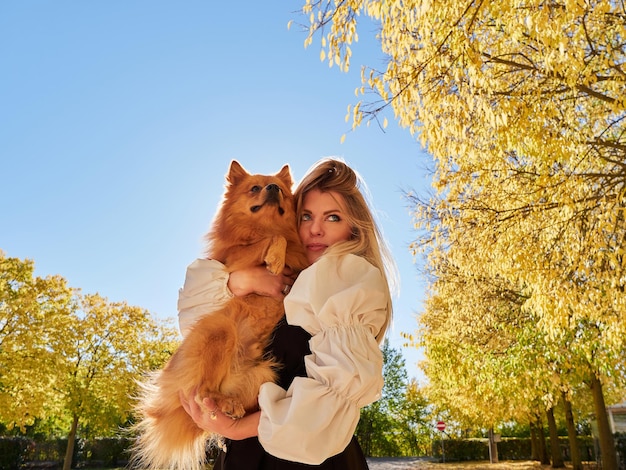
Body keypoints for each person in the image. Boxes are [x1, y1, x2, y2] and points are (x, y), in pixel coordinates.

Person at [178, 158, 398, 469]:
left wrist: (235, 429)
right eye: (306, 216)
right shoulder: (295, 276)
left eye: (333, 218)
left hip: (306, 460)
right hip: (246, 457)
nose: (316, 229)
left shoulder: (345, 283)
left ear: (353, 229)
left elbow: (333, 396)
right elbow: (194, 322)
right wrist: (240, 280)